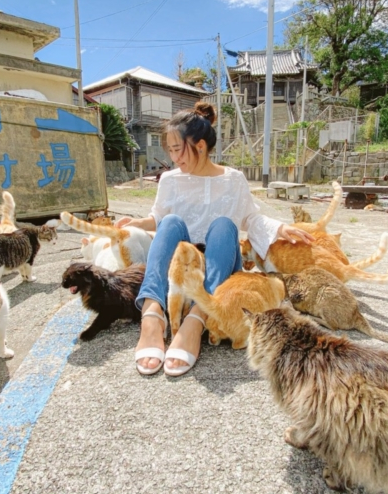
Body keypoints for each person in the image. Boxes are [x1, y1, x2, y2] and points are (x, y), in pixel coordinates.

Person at [115, 102, 314, 377]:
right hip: (184, 263)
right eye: (169, 151)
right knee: (171, 222)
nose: (174, 158)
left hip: (219, 263)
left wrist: (280, 229)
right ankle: (151, 313)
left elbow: (250, 218)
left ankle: (197, 318)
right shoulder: (170, 180)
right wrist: (137, 223)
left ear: (199, 146)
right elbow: (158, 218)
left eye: (177, 150)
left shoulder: (234, 179)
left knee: (223, 225)